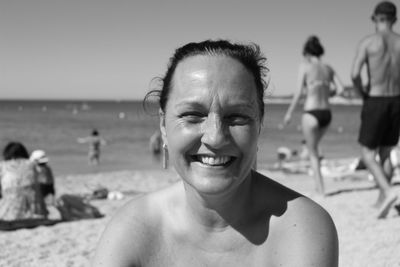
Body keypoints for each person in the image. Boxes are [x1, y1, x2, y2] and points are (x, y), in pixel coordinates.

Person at [93, 40, 338, 266]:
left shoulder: (301, 228)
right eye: (192, 115)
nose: (215, 137)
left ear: (259, 125)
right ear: (163, 126)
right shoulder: (131, 232)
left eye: (237, 117)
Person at [351, 1, 400, 219]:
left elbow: (354, 73)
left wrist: (362, 94)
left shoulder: (368, 42)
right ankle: (383, 199)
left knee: (367, 153)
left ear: (375, 19)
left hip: (376, 99)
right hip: (396, 100)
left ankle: (389, 191)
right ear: (394, 19)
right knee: (387, 150)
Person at [283, 36, 345, 195]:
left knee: (312, 153)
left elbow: (298, 93)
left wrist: (289, 113)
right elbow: (341, 89)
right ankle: (319, 186)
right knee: (315, 148)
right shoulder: (328, 68)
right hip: (326, 113)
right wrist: (326, 93)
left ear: (308, 53)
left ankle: (321, 190)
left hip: (311, 112)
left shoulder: (305, 66)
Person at [0, 142, 48, 221]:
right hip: (36, 212)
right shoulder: (32, 164)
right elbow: (44, 184)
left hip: (8, 214)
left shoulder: (2, 166)